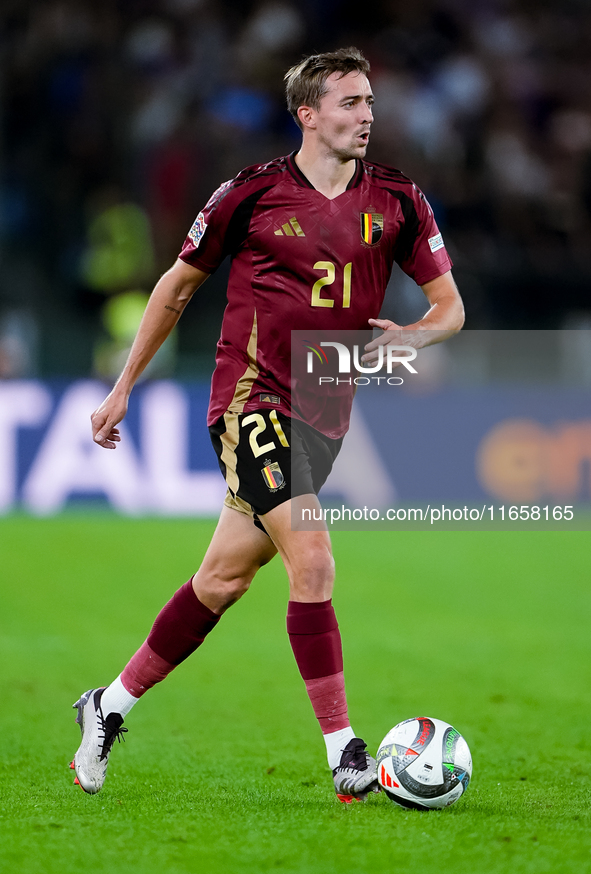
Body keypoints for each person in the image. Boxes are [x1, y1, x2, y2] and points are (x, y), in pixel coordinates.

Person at [71, 47, 464, 801]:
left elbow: (450, 309)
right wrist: (122, 387)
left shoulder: (399, 200)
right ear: (307, 115)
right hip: (250, 403)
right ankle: (345, 751)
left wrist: (410, 338)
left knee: (221, 579)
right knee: (312, 561)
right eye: (349, 103)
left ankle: (107, 705)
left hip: (325, 415)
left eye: (370, 101)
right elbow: (176, 287)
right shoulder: (249, 195)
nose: (367, 116)